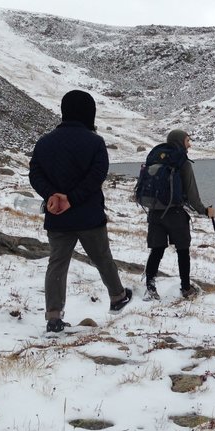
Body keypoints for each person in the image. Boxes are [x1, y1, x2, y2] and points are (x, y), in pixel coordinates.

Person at [29, 90, 132, 332]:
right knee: (102, 257)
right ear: (89, 112)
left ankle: (53, 316)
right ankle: (117, 297)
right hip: (89, 216)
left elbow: (35, 174)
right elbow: (97, 176)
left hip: (57, 216)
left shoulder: (45, 142)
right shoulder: (94, 142)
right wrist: (72, 199)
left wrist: (52, 195)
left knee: (57, 264)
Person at [143, 129, 215, 300]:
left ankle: (150, 286)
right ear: (180, 142)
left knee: (157, 250)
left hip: (155, 213)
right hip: (175, 213)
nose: (189, 144)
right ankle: (185, 288)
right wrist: (204, 210)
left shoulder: (155, 157)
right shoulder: (182, 162)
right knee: (183, 251)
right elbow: (192, 194)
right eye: (187, 141)